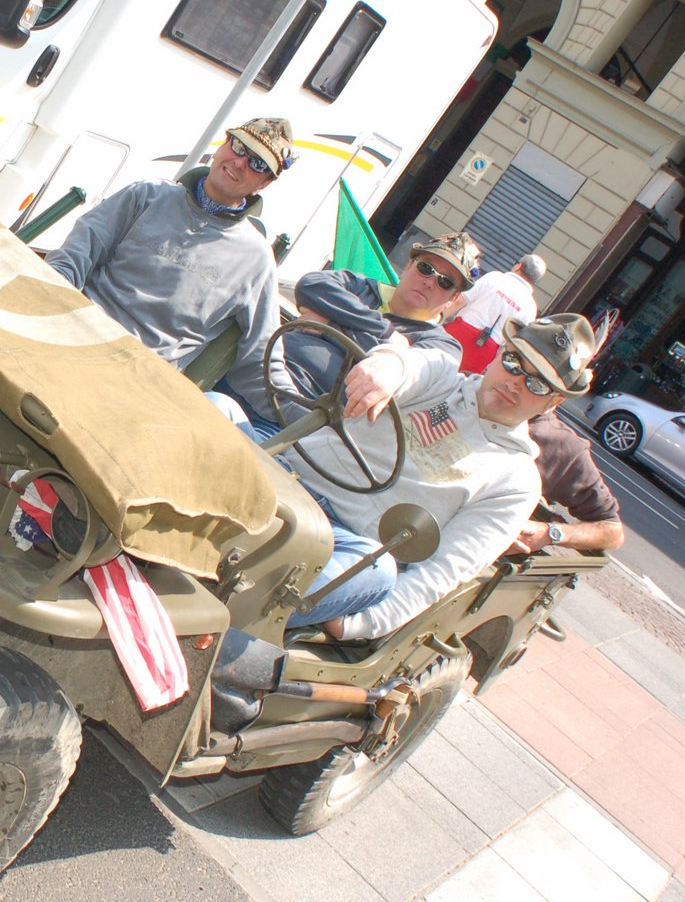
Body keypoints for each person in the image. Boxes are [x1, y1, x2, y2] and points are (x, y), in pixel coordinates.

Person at [285, 313, 601, 640]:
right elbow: (404, 364)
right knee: (227, 407)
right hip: (289, 476)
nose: (516, 382)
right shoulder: (442, 377)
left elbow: (442, 571)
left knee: (377, 571)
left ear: (554, 402)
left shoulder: (515, 482)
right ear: (500, 352)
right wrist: (383, 368)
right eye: (514, 362)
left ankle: (250, 609)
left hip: (344, 540)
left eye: (537, 383)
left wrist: (362, 624)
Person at [45, 118, 297, 409]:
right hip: (70, 331)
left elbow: (260, 362)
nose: (240, 163)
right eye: (239, 147)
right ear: (223, 144)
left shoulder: (257, 260)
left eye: (258, 164)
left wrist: (310, 421)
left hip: (133, 383)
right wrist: (48, 311)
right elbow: (70, 261)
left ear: (265, 183)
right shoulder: (146, 195)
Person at [225, 232, 480, 437]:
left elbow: (411, 378)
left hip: (296, 421)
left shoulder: (439, 347)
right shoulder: (363, 287)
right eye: (426, 268)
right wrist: (387, 335)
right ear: (409, 265)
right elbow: (312, 285)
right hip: (248, 368)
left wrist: (332, 322)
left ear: (453, 299)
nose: (429, 281)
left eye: (445, 282)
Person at [511, 409, 626, 553]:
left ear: (556, 400)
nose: (512, 386)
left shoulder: (562, 446)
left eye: (538, 386)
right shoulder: (476, 396)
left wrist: (548, 533)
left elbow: (612, 531)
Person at [445, 252, 546, 373]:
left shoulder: (495, 278)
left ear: (519, 266)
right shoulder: (530, 308)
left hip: (458, 332)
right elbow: (512, 343)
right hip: (486, 352)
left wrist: (437, 318)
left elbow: (460, 301)